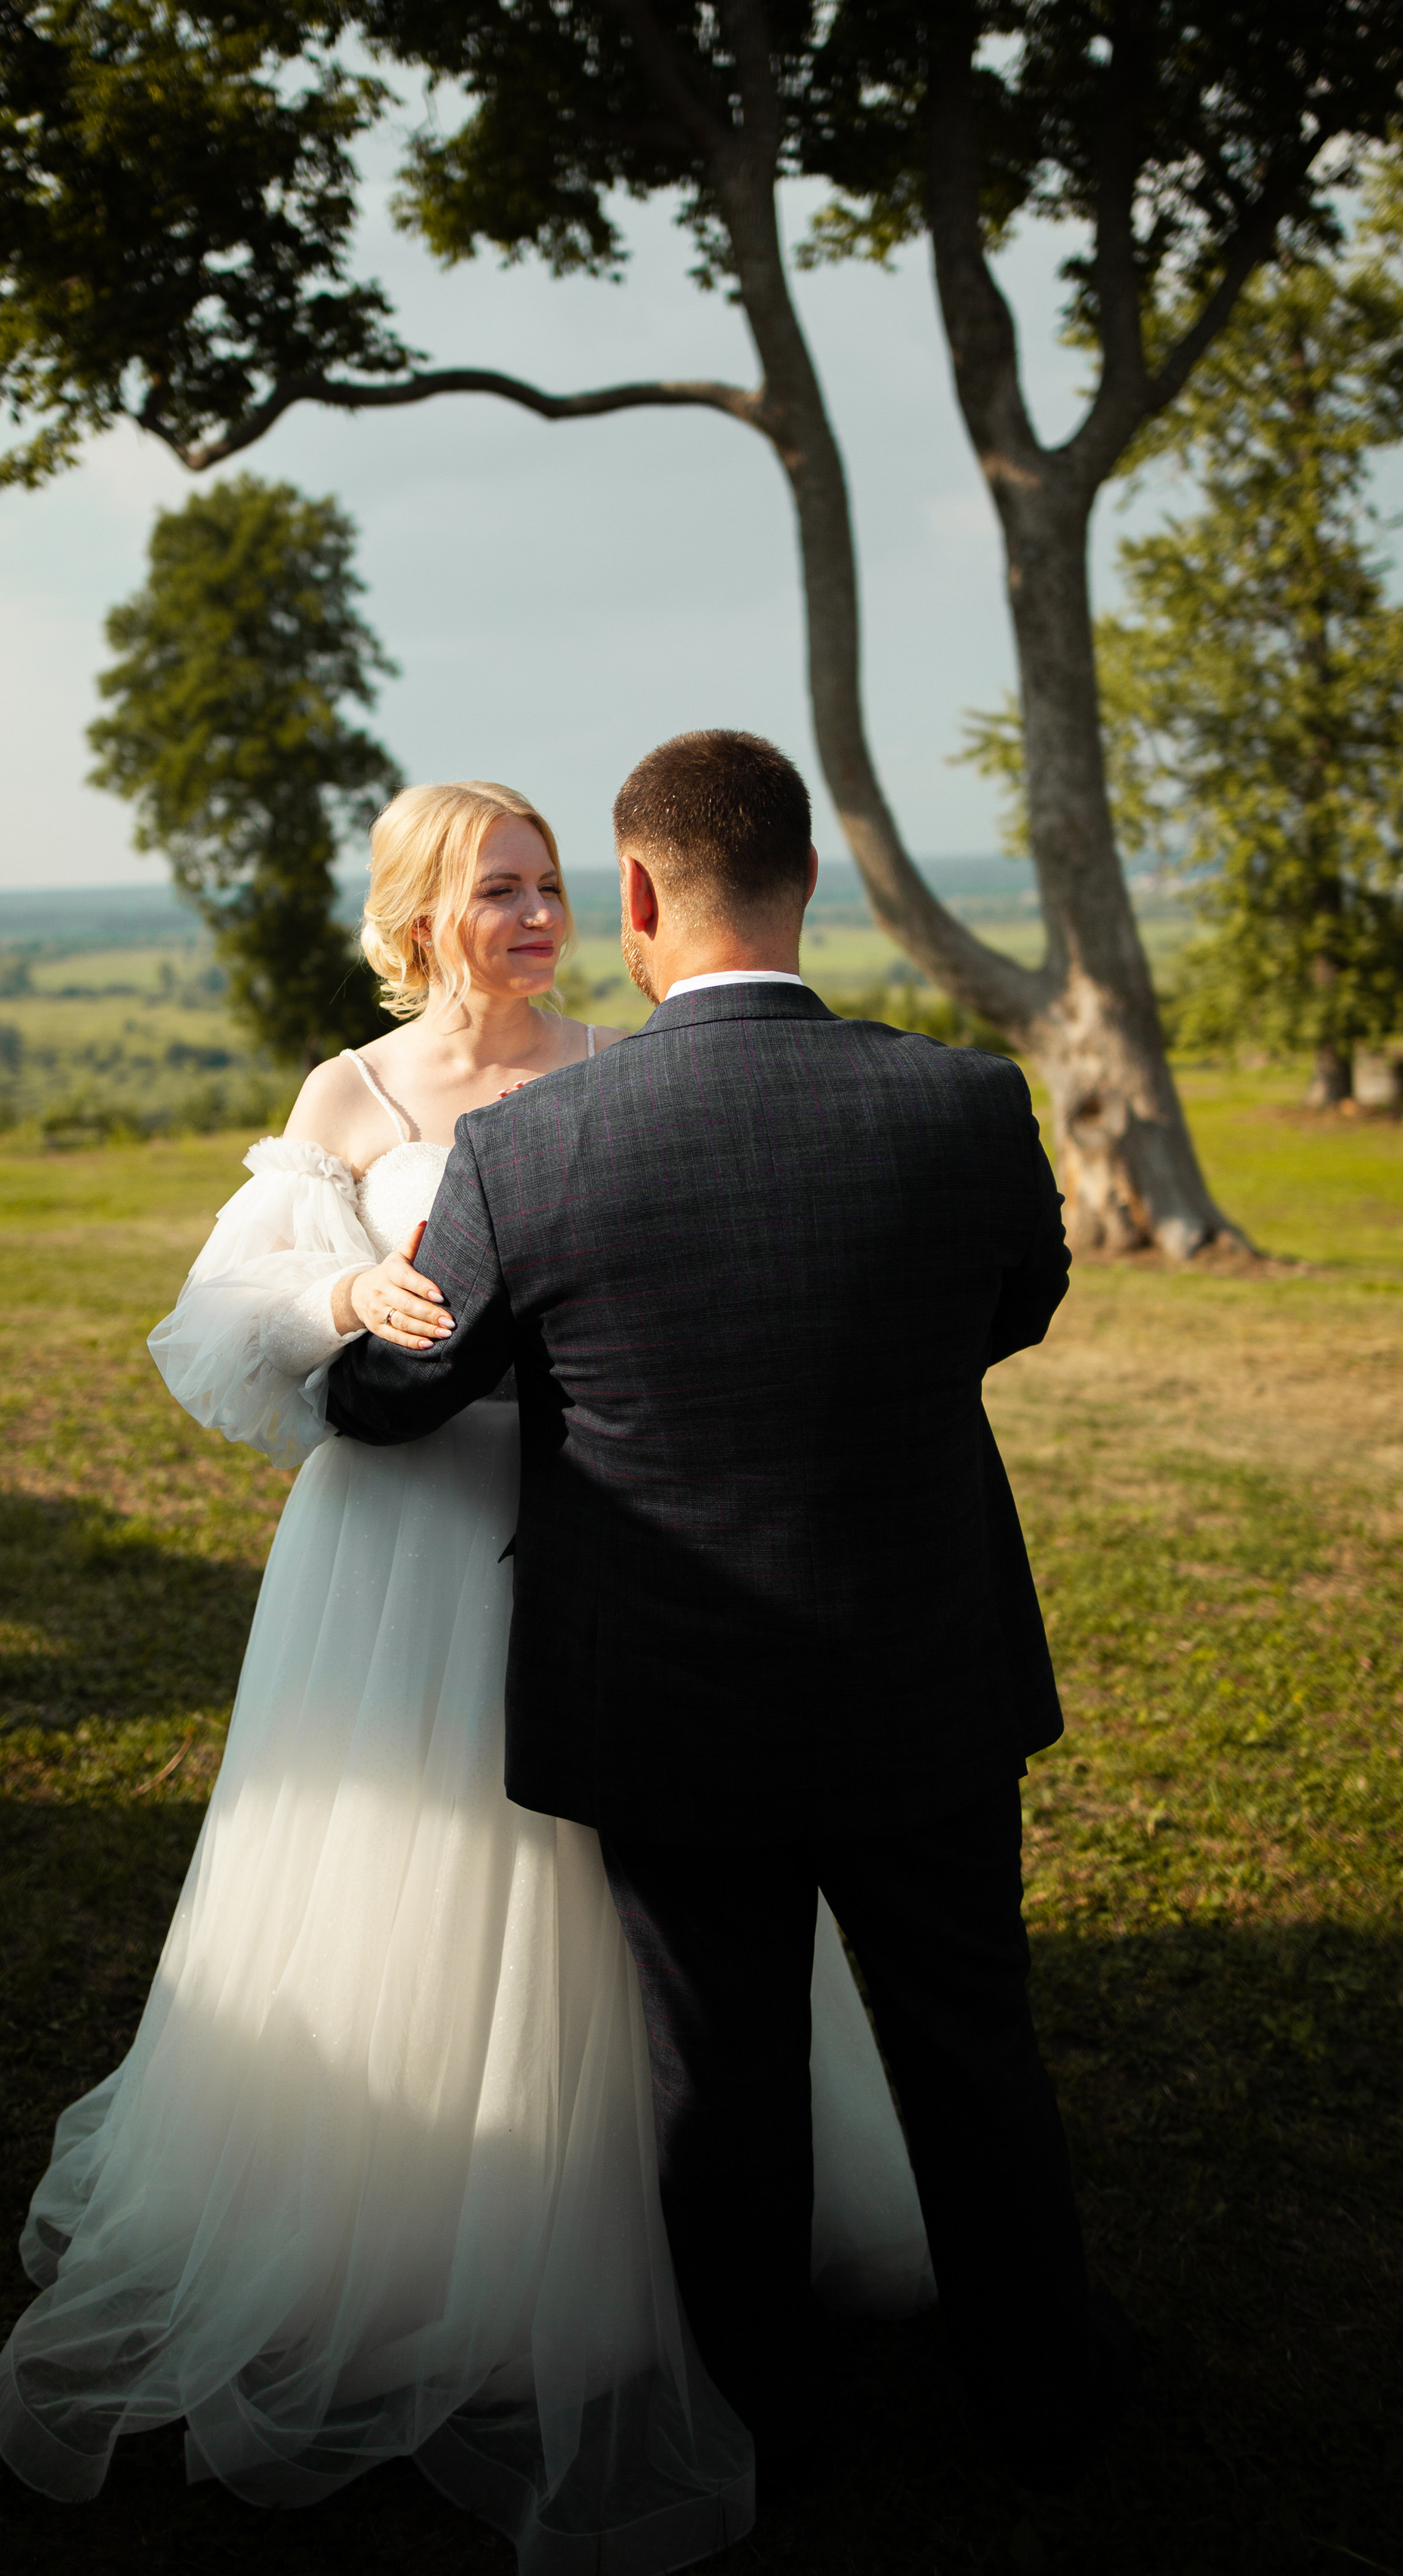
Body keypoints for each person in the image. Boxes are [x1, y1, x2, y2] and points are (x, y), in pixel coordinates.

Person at [0, 777, 933, 2572]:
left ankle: (633, 2236)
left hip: (595, 1525)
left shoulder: (612, 1065)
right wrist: (344, 1302)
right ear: (417, 914)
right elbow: (220, 1311)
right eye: (495, 889)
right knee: (411, 1860)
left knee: (617, 1881)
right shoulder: (350, 1097)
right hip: (400, 1535)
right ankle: (407, 2230)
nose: (534, 915)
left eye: (550, 884)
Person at [326, 731, 1107, 2489]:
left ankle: (758, 2422)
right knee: (972, 2037)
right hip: (924, 1674)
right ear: (808, 880)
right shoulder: (966, 1103)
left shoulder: (537, 1149)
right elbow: (1016, 1304)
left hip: (670, 1702)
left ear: (634, 897)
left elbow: (396, 1398)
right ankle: (1046, 2396)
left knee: (719, 2074)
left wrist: (343, 1323)